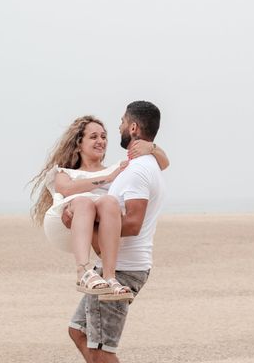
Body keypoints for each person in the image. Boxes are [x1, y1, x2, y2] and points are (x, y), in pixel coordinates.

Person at [65, 101, 167, 362]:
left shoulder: (139, 171)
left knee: (100, 350)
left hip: (124, 269)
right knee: (78, 331)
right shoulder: (140, 164)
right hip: (114, 266)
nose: (118, 126)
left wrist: (83, 223)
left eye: (122, 122)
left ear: (133, 127)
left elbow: (133, 224)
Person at [30, 115, 169, 301]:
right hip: (66, 218)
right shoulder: (65, 172)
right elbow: (67, 189)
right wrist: (108, 178)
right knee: (84, 202)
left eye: (103, 137)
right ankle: (83, 271)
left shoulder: (116, 168)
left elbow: (164, 163)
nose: (100, 141)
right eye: (93, 137)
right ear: (79, 144)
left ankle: (110, 277)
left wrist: (152, 148)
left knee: (109, 202)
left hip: (97, 224)